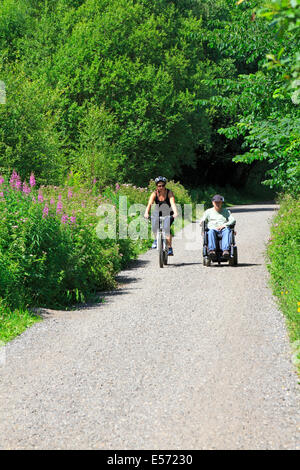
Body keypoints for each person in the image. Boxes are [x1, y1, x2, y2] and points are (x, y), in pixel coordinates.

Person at [144, 176, 178, 256]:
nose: (161, 187)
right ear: (157, 186)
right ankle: (156, 240)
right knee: (154, 224)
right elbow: (149, 204)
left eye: (163, 185)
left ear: (165, 185)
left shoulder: (169, 192)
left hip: (168, 212)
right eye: (159, 186)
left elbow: (172, 203)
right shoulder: (154, 194)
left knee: (166, 228)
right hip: (158, 212)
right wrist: (146, 213)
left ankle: (169, 248)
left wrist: (175, 212)